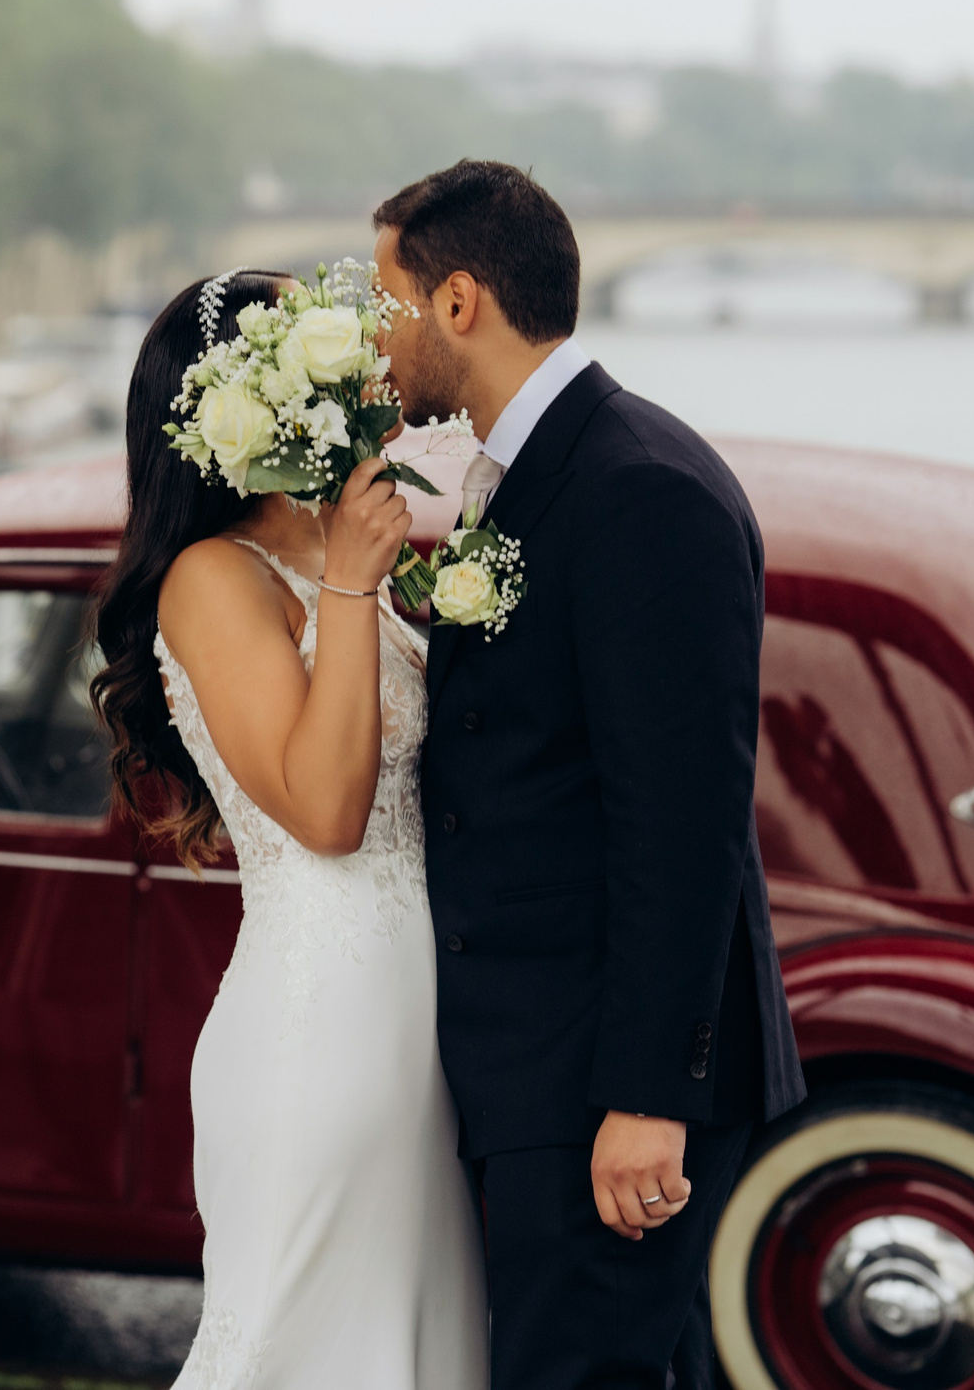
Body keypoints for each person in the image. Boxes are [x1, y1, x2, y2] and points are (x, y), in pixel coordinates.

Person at [373, 159, 806, 1390]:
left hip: (600, 1083)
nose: (377, 330)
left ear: (458, 303)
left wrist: (645, 1099)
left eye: (388, 295)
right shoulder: (531, 474)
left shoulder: (642, 491)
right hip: (535, 1068)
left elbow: (682, 825)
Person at [90, 269, 488, 1390]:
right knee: (302, 1350)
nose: (375, 370)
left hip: (426, 1028)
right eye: (343, 361)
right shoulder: (214, 579)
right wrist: (358, 594)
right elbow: (322, 813)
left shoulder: (354, 545)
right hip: (328, 1029)